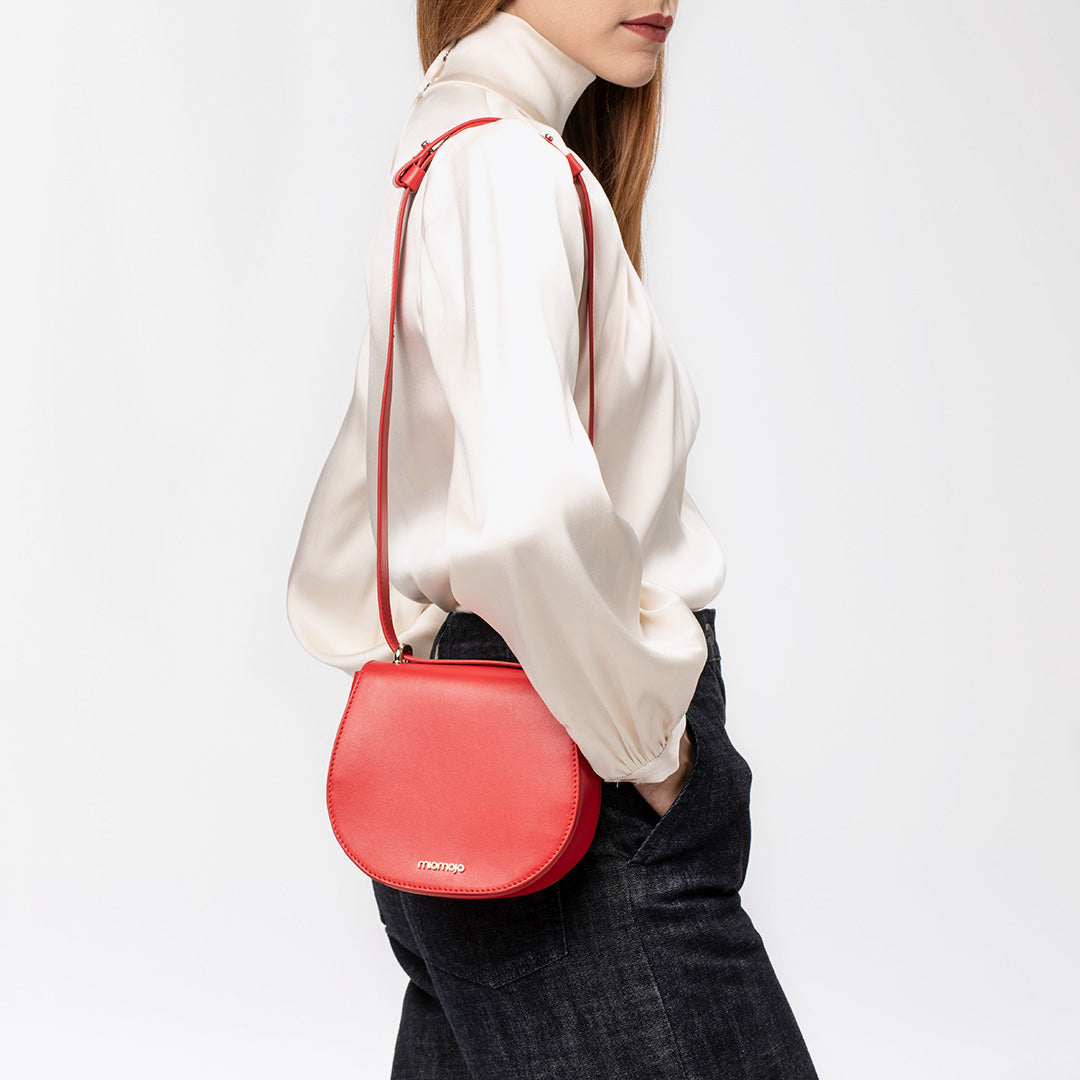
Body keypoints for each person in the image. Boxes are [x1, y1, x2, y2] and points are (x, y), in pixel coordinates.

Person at [286, 2, 820, 1076]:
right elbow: (527, 517)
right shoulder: (503, 164)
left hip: (467, 741)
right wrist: (656, 756)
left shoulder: (446, 142)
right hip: (575, 754)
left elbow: (370, 502)